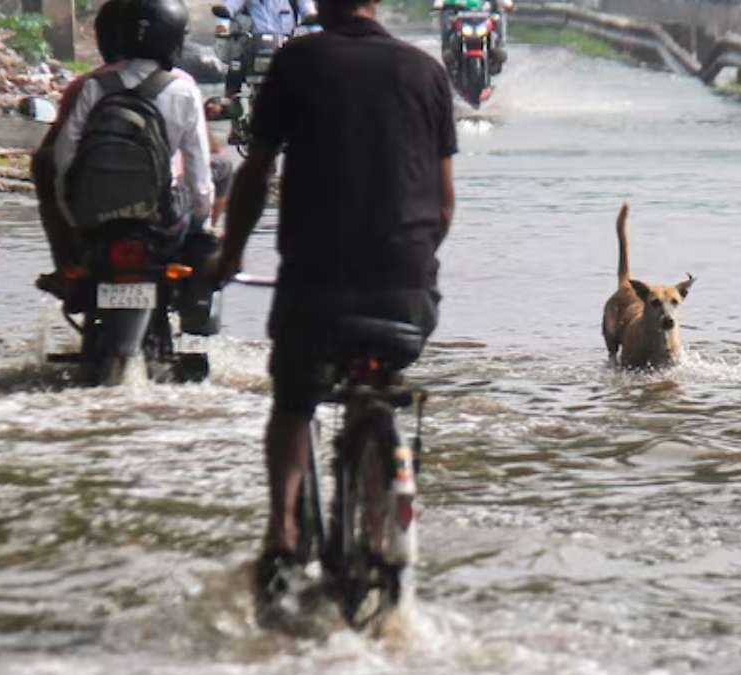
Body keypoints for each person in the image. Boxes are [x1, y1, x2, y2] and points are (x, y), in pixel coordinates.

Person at [210, 0, 456, 602]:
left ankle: (282, 530)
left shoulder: (298, 60)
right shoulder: (426, 71)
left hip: (317, 284)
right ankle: (379, 526)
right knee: (382, 383)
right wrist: (414, 262)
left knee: (294, 402)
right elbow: (445, 200)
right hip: (407, 288)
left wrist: (231, 255)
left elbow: (254, 173)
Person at [49, 0, 214, 265]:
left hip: (94, 214)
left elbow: (64, 156)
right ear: (174, 39)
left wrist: (71, 213)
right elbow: (198, 168)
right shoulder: (184, 89)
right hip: (160, 216)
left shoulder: (93, 85)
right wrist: (200, 221)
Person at [33, 0, 126, 273]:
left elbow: (56, 151)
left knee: (43, 161)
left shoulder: (85, 86)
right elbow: (202, 160)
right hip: (166, 213)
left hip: (90, 208)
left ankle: (65, 266)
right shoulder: (181, 86)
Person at [221, 0, 317, 97]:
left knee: (305, 70)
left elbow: (307, 8)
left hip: (285, 44)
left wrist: (311, 17)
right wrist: (227, 11)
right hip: (253, 44)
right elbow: (233, 3)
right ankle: (227, 102)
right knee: (235, 65)